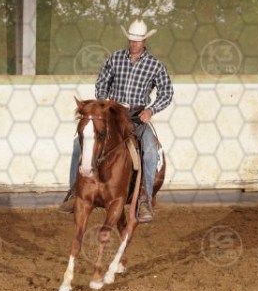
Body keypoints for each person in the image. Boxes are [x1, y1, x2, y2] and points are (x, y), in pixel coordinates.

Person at [59, 19, 173, 222]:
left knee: (150, 150)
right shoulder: (115, 58)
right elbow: (102, 81)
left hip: (137, 117)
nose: (134, 44)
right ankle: (74, 192)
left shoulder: (155, 65)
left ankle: (144, 199)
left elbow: (167, 93)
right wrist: (104, 103)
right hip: (112, 115)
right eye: (131, 40)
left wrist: (150, 110)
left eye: (137, 40)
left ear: (144, 41)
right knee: (79, 143)